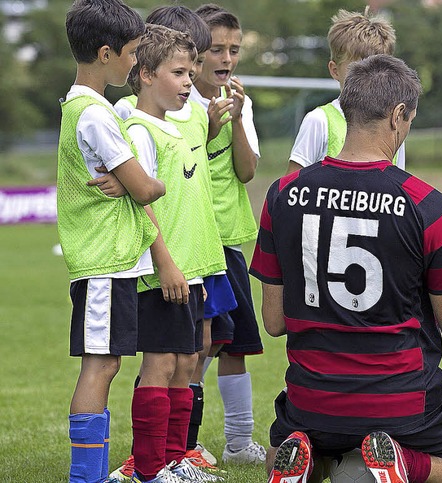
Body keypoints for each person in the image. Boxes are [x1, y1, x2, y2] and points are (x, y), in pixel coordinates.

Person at [250, 54, 442, 483]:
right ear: (397, 116)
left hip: (313, 398)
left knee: (294, 442)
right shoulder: (427, 205)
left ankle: (308, 461)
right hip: (400, 399)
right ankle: (400, 463)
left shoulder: (282, 195)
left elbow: (275, 322)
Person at [110, 6, 232, 480]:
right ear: (144, 75)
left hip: (194, 264)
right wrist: (165, 262)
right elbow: (143, 203)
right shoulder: (138, 129)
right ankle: (146, 468)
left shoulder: (180, 123)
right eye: (178, 73)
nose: (188, 82)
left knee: (186, 361)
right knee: (160, 364)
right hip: (165, 267)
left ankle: (177, 461)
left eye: (190, 71)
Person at [59, 1, 166, 482]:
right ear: (106, 53)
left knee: (108, 363)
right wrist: (144, 183)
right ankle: (86, 477)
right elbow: (147, 187)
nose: (137, 62)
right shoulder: (95, 115)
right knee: (100, 367)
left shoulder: (82, 106)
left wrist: (130, 182)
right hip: (104, 259)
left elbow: (129, 183)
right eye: (132, 52)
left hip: (111, 260)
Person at [191, 3, 266, 465]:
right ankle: (185, 440)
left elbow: (246, 171)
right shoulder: (176, 104)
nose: (226, 58)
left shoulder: (241, 100)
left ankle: (239, 443)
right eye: (216, 48)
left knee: (234, 342)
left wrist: (236, 119)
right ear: (194, 52)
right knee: (196, 344)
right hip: (192, 242)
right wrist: (209, 123)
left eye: (233, 49)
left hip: (229, 241)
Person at [286, 8, 402, 175]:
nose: (368, 76)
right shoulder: (319, 121)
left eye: (377, 67)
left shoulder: (394, 126)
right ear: (335, 70)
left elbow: (398, 191)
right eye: (357, 68)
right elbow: (289, 190)